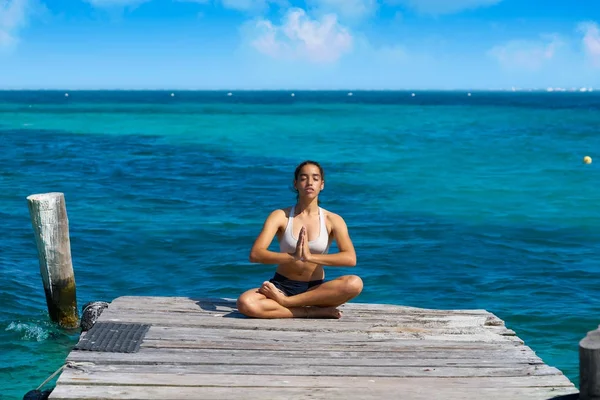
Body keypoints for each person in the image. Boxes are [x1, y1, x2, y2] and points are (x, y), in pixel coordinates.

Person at [236, 160, 363, 319]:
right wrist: (292, 257)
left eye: (315, 178)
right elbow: (256, 254)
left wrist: (310, 257)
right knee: (246, 303)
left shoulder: (333, 220)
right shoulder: (280, 216)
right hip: (282, 286)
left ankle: (288, 303)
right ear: (295, 184)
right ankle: (309, 311)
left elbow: (350, 258)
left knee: (355, 283)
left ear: (322, 185)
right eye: (303, 178)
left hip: (315, 290)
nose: (309, 182)